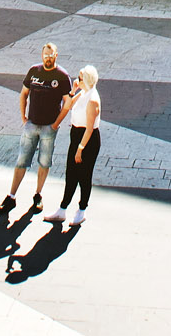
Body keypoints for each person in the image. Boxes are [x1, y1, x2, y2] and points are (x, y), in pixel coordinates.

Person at [0, 41, 73, 214]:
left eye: (51, 55)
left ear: (56, 55)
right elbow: (24, 94)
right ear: (42, 55)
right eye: (45, 55)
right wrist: (23, 117)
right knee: (21, 161)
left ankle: (38, 195)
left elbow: (67, 103)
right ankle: (11, 196)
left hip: (49, 127)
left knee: (44, 162)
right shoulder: (34, 71)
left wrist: (56, 124)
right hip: (31, 124)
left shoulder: (62, 76)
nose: (48, 58)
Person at [49, 64, 103, 227]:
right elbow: (68, 105)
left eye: (79, 78)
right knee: (71, 173)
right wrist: (73, 91)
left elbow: (89, 128)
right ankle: (62, 208)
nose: (76, 80)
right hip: (76, 135)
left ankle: (81, 210)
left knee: (84, 176)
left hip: (88, 139)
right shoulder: (83, 93)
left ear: (86, 80)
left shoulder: (93, 99)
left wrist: (80, 149)